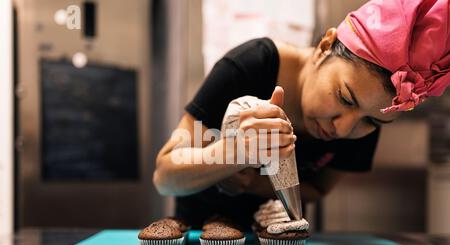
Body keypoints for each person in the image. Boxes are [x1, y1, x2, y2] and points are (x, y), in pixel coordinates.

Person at [153, 0, 449, 230]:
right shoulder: (251, 66)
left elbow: (319, 187)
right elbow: (165, 175)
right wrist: (232, 154)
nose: (344, 129)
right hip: (197, 243)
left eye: (372, 121)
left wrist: (252, 184)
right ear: (325, 46)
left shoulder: (371, 111)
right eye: (344, 97)